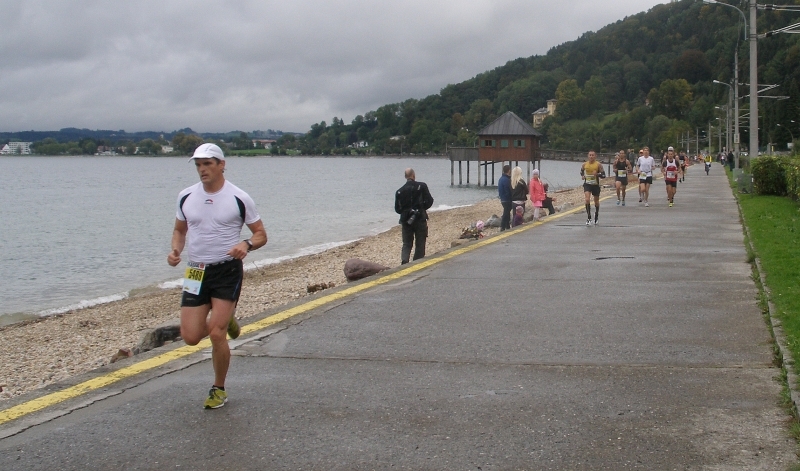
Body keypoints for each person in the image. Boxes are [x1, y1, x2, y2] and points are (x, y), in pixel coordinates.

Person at [167, 143, 267, 409]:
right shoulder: (186, 196)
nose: (202, 170)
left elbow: (261, 235)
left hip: (226, 269)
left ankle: (218, 388)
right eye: (198, 165)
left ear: (221, 165)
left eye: (207, 164)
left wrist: (246, 245)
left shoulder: (239, 197)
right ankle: (228, 317)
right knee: (190, 336)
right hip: (196, 270)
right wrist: (175, 250)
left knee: (215, 333)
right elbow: (179, 230)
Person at [395, 168, 434, 264]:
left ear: (405, 177)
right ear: (413, 175)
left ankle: (404, 260)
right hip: (420, 218)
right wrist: (422, 208)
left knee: (407, 243)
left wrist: (406, 212)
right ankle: (417, 261)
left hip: (405, 220)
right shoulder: (422, 186)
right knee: (420, 242)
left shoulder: (399, 191)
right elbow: (430, 201)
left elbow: (397, 209)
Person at [581, 150, 605, 225]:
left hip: (595, 185)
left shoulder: (598, 165)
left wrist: (597, 174)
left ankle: (596, 214)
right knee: (587, 199)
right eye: (590, 155)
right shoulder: (584, 164)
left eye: (592, 155)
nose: (591, 156)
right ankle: (589, 217)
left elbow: (604, 175)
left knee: (596, 201)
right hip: (587, 184)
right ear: (588, 156)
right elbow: (581, 171)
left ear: (595, 156)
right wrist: (582, 176)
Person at [497, 164, 512, 231]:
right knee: (506, 212)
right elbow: (507, 189)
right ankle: (502, 226)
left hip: (502, 198)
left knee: (507, 212)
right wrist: (510, 196)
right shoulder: (506, 180)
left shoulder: (501, 179)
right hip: (506, 199)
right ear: (508, 171)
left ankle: (507, 226)